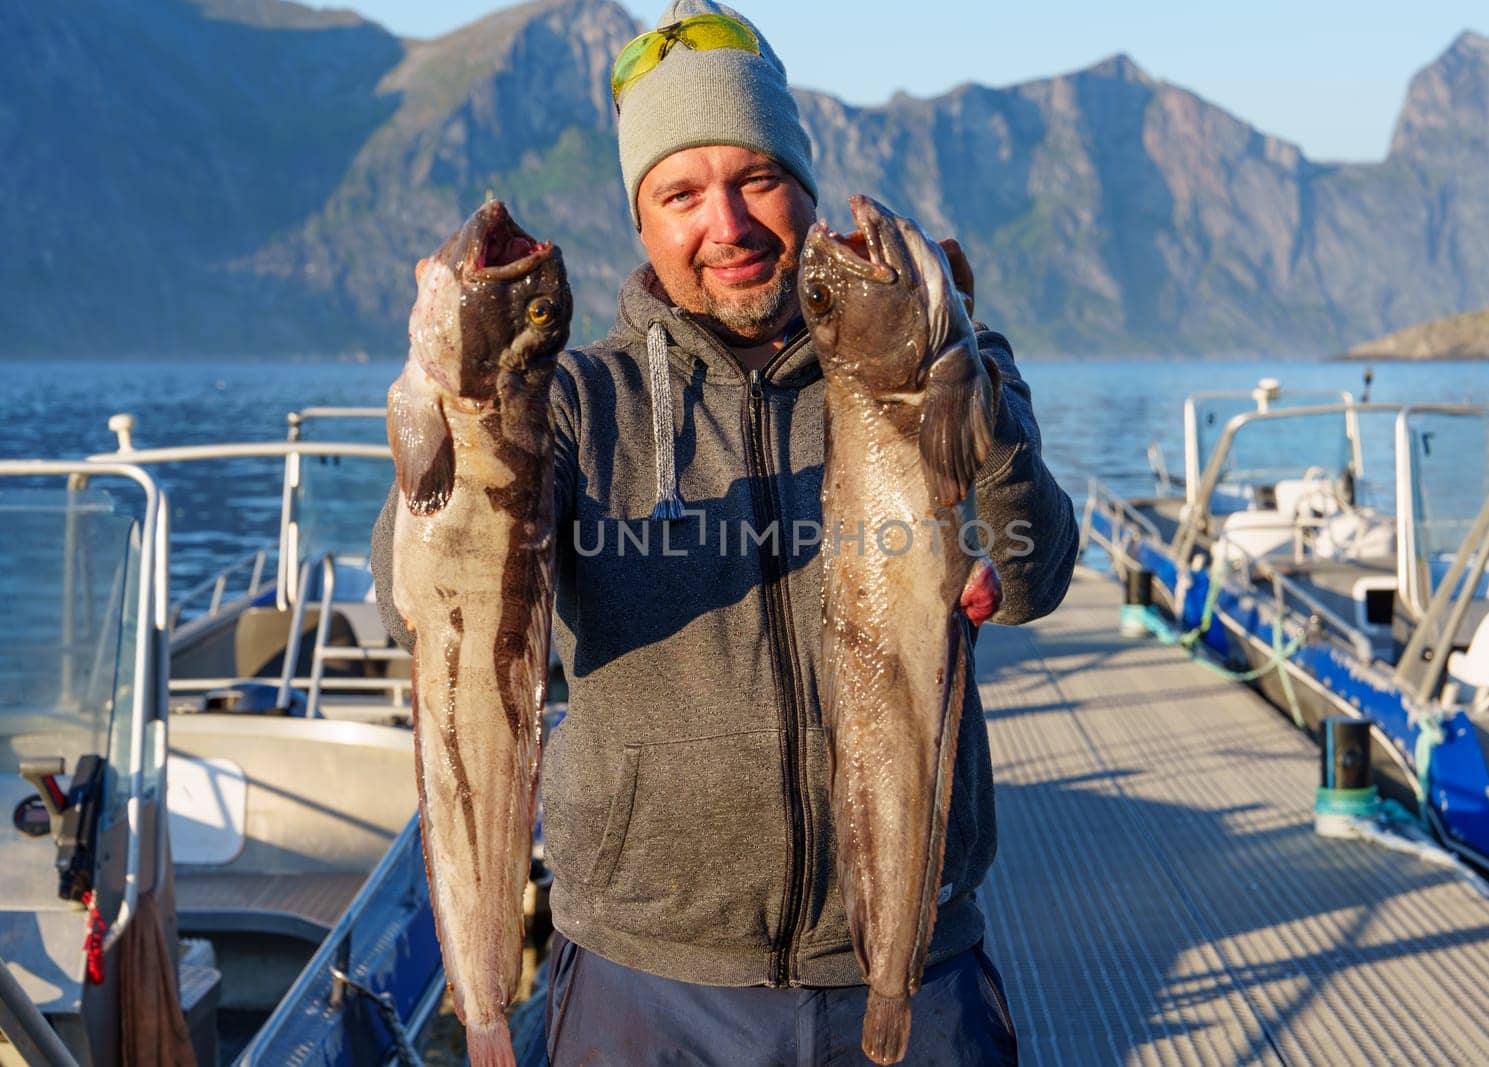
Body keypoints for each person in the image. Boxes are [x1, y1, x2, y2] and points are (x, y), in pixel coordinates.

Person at [372, 2, 1077, 1062]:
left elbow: (1032, 576)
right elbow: (420, 600)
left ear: (801, 184)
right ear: (642, 221)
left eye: (755, 180)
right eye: (681, 194)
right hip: (643, 974)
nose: (728, 226)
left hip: (909, 962)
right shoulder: (573, 401)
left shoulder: (925, 367)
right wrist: (449, 412)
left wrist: (974, 391)